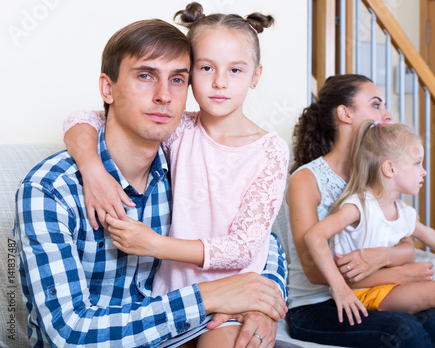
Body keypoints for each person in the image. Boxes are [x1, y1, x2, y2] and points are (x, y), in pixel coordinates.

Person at [14, 18, 287, 348]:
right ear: (107, 88)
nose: (163, 96)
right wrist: (91, 167)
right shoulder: (50, 191)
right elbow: (70, 335)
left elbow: (260, 237)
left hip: (185, 329)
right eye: (145, 76)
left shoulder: (175, 162)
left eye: (176, 79)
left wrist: (263, 299)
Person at [284, 74, 435, 347]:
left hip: (371, 292)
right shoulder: (306, 180)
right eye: (376, 105)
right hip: (316, 306)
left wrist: (382, 255)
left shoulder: (375, 175)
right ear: (345, 113)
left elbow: (405, 241)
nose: (387, 114)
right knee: (401, 328)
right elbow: (314, 273)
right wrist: (399, 273)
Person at [304, 121, 435, 348]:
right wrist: (339, 288)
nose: (424, 171)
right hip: (363, 291)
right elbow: (314, 236)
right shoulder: (360, 206)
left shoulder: (403, 212)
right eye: (417, 163)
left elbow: (428, 235)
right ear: (390, 169)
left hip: (391, 286)